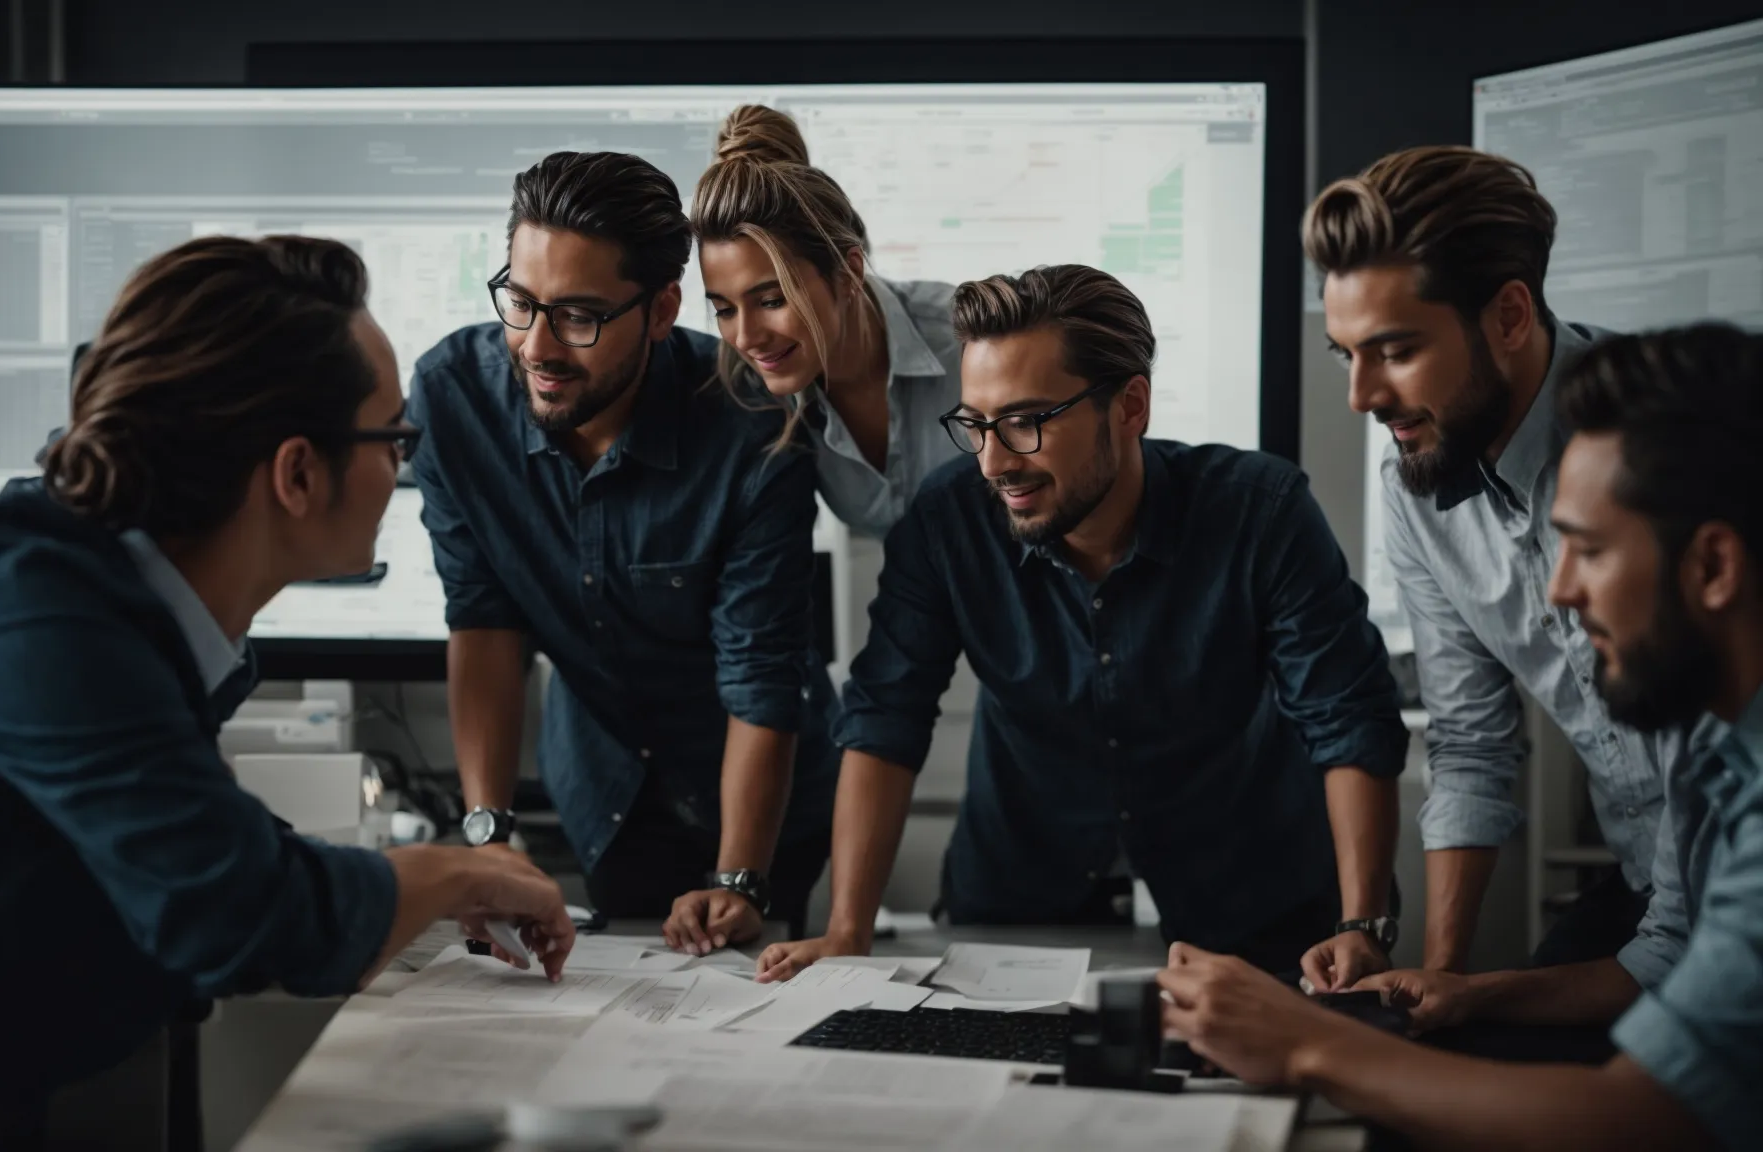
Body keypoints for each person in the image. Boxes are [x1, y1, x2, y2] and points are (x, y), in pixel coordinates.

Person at [0, 235, 575, 1150]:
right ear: (295, 473)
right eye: (393, 438)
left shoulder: (113, 595)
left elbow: (191, 834)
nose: (402, 467)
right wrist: (450, 871)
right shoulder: (27, 596)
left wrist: (410, 887)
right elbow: (233, 908)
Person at [1162, 323, 1763, 1152]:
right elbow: (1664, 956)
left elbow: (1645, 1117)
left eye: (1586, 550)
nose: (1559, 592)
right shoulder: (1711, 752)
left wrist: (1305, 1042)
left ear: (1714, 567)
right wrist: (1465, 991)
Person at [755, 265, 1409, 984]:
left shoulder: (1260, 511)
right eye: (974, 424)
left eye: (1026, 422)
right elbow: (885, 718)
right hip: (1022, 896)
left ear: (1130, 406)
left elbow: (1348, 720)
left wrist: (1363, 921)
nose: (994, 462)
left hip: (1254, 900)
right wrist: (847, 931)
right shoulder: (948, 522)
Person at [406, 151, 836, 954]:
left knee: (756, 1002)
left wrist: (739, 878)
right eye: (521, 303)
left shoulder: (754, 427)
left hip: (764, 790)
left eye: (578, 316)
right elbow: (483, 620)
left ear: (662, 308)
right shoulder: (452, 397)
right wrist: (489, 836)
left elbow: (759, 671)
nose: (537, 347)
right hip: (605, 789)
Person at [1311, 144, 1675, 978]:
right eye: (1346, 353)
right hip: (1645, 886)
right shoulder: (1415, 491)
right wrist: (1434, 985)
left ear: (1510, 317)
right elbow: (1472, 743)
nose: (1360, 397)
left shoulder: (1669, 443)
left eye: (1395, 351)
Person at [691, 104, 962, 537]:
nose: (745, 337)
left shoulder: (968, 340)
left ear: (849, 271)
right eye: (724, 309)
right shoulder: (754, 396)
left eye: (772, 300)